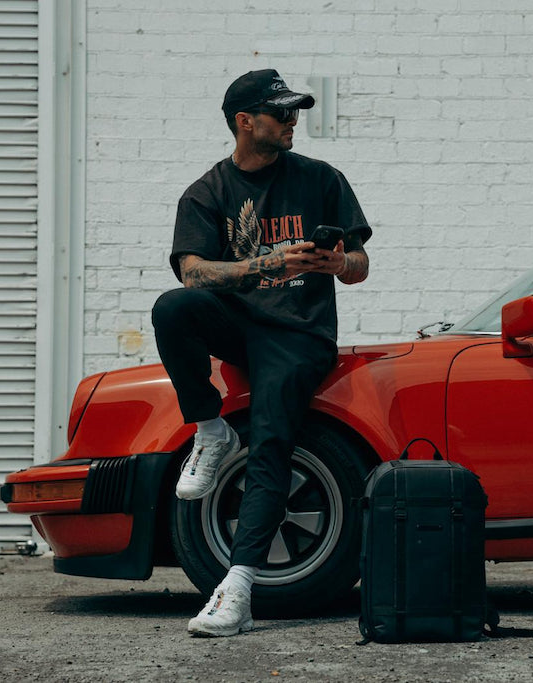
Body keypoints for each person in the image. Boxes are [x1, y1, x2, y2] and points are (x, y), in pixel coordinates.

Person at [151, 69, 371, 637]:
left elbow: (359, 268)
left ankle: (239, 587)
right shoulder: (207, 193)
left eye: (296, 112)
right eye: (282, 114)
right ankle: (209, 428)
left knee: (274, 438)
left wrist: (336, 263)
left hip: (298, 335)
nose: (294, 122)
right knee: (172, 308)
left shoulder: (321, 179)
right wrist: (271, 264)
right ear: (245, 122)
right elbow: (194, 272)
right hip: (241, 323)